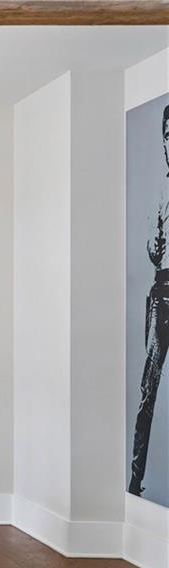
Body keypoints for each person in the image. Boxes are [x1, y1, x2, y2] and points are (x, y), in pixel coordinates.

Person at [129, 104, 169, 496]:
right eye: (167, 135)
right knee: (148, 387)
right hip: (162, 292)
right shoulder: (159, 191)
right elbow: (150, 248)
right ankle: (135, 479)